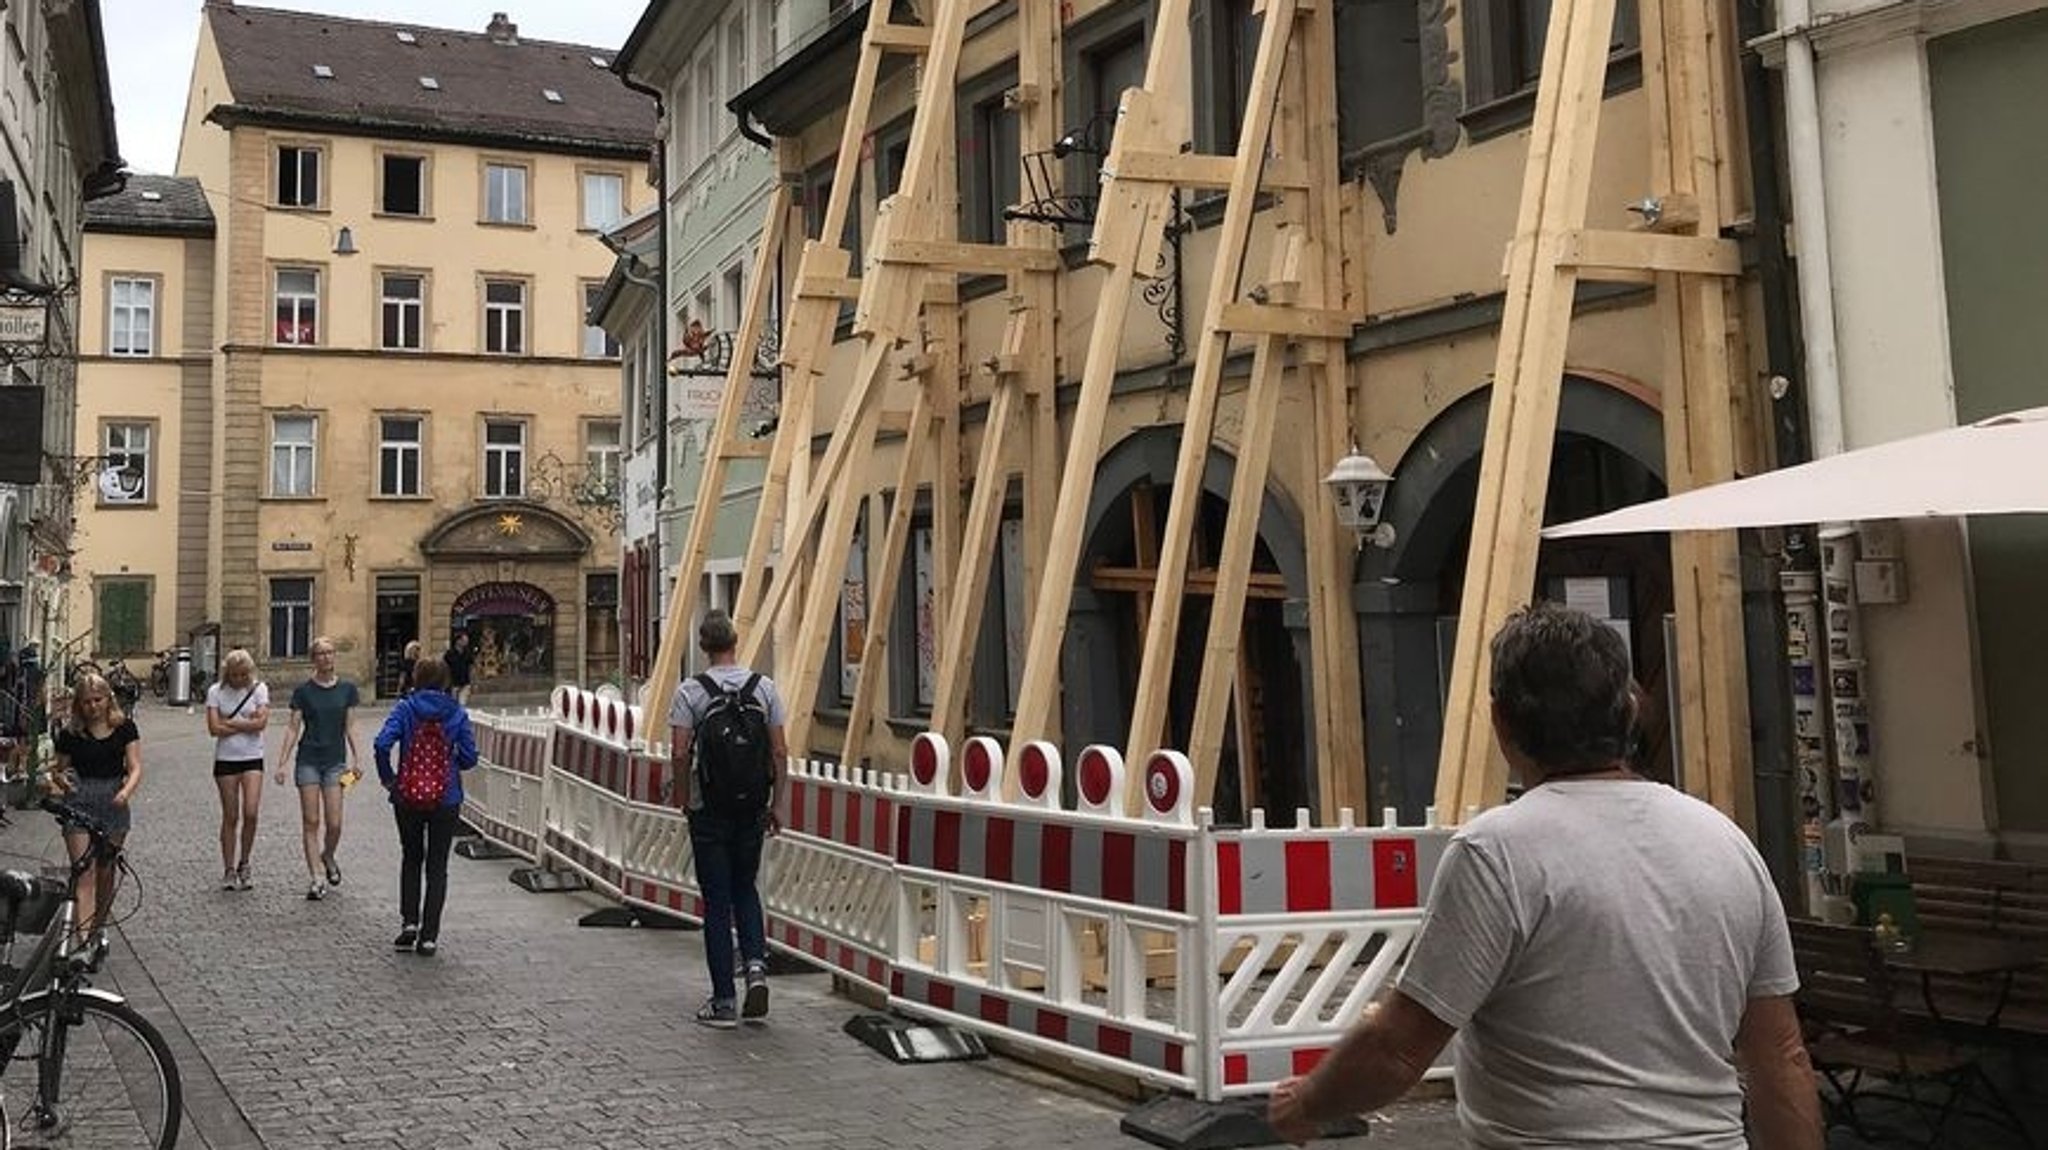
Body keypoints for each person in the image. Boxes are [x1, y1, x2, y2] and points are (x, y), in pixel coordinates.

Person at [1268, 602, 1820, 1150]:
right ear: (1629, 708)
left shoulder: (1498, 852)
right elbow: (1782, 1056)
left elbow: (1398, 1049)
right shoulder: (1725, 843)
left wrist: (1307, 1103)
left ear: (1500, 721)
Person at [668, 610, 788, 1029]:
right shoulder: (764, 688)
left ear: (703, 647)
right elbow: (779, 751)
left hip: (709, 809)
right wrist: (778, 802)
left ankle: (723, 1002)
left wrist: (683, 795)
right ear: (736, 642)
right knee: (746, 889)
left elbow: (681, 751)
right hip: (752, 806)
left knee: (716, 903)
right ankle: (755, 965)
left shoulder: (691, 692)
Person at [372, 656, 477, 957]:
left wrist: (389, 778)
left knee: (411, 857)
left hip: (408, 794)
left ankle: (409, 923)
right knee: (437, 865)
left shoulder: (405, 708)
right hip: (446, 797)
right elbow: (471, 757)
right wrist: (452, 762)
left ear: (416, 678)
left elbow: (382, 744)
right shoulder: (456, 712)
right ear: (446, 681)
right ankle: (429, 936)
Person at [48, 671, 142, 954]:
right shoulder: (70, 733)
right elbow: (59, 768)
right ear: (79, 704)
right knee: (84, 871)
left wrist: (125, 792)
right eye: (86, 701)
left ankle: (99, 926)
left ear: (108, 699)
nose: (92, 706)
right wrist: (60, 780)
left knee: (106, 870)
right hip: (79, 802)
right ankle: (83, 939)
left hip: (113, 801)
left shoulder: (125, 728)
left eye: (98, 700)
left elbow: (136, 766)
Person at [273, 636, 361, 902]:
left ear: (334, 657)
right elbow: (292, 727)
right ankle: (316, 877)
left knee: (335, 822)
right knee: (311, 821)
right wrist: (282, 762)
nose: (326, 657)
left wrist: (359, 759)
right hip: (308, 760)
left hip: (336, 763)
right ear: (313, 659)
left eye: (330, 653)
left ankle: (328, 855)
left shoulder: (347, 690)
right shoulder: (303, 692)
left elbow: (351, 726)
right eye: (320, 653)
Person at [205, 649, 269, 891]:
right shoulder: (215, 692)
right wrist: (246, 725)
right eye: (234, 675)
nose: (239, 679)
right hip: (226, 759)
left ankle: (245, 862)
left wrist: (231, 723)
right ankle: (229, 868)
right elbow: (213, 728)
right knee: (231, 816)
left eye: (243, 675)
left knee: (251, 812)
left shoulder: (259, 689)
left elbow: (261, 723)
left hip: (253, 757)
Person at [443, 631, 474, 705]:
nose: (466, 642)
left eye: (466, 640)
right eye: (464, 640)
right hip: (453, 682)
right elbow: (445, 668)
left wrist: (472, 681)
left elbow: (471, 667)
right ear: (458, 641)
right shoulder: (449, 654)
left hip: (465, 682)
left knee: (462, 704)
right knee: (453, 703)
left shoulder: (467, 653)